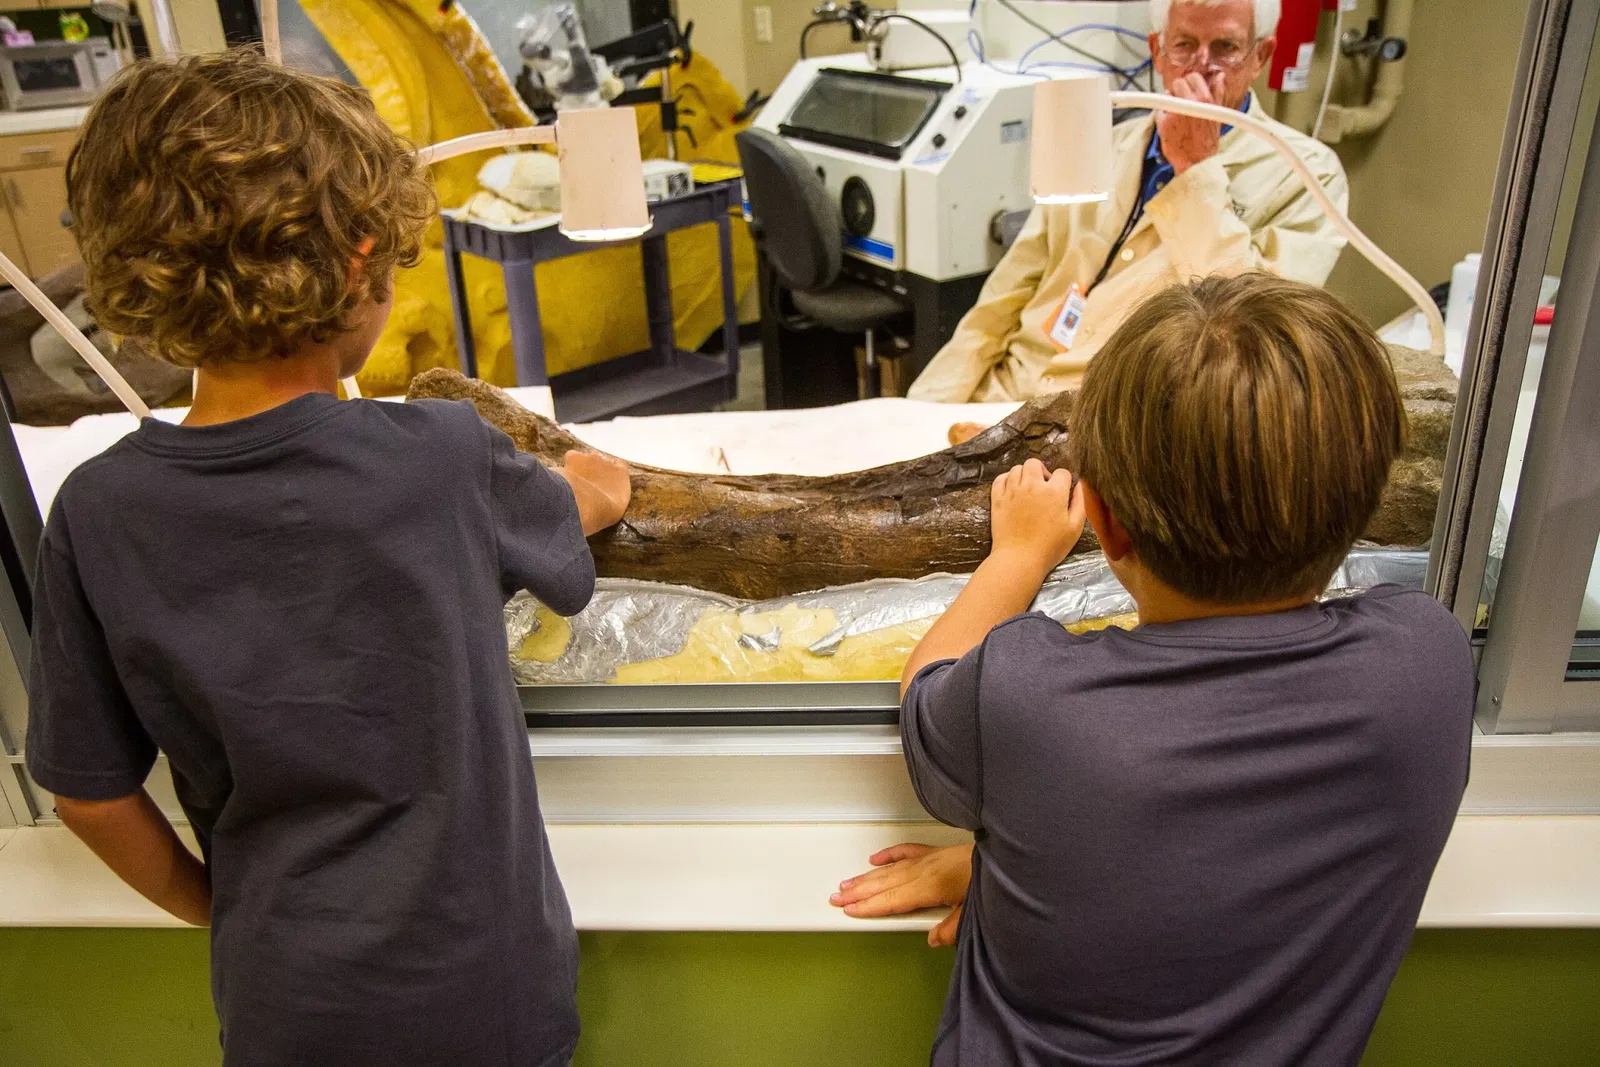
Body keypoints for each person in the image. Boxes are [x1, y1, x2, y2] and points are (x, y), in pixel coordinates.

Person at [25, 50, 631, 1067]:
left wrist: (215, 905)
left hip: (283, 998)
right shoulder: (441, 457)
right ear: (359, 264)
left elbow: (88, 790)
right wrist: (597, 477)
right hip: (489, 990)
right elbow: (577, 523)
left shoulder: (97, 510)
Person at [835, 274, 1474, 1065]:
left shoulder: (1027, 698)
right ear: (1364, 506)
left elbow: (927, 689)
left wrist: (1020, 553)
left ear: (1103, 521)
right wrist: (1025, 872)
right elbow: (1227, 839)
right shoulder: (1428, 670)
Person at [908, 0, 1349, 403]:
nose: (1202, 67)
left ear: (1261, 57)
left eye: (1226, 47)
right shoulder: (1105, 143)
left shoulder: (1309, 175)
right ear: (1157, 51)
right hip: (1005, 391)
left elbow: (1252, 332)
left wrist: (1196, 170)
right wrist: (923, 409)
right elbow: (1004, 296)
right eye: (1184, 46)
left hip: (1116, 420)